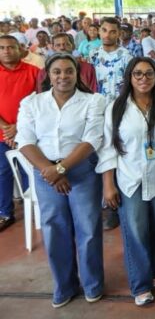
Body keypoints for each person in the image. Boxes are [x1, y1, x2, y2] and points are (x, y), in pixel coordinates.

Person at [16, 53, 106, 308]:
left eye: (69, 71)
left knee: (88, 228)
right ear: (48, 74)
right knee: (54, 229)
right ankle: (64, 286)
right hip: (45, 172)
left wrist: (62, 168)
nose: (63, 76)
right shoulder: (32, 103)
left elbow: (92, 139)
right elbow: (25, 141)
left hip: (82, 170)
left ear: (77, 74)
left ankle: (92, 284)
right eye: (57, 71)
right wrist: (51, 171)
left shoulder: (93, 101)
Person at [97, 57, 155, 306]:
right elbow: (107, 148)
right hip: (130, 179)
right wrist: (108, 184)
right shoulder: (116, 108)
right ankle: (140, 285)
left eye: (149, 73)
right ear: (129, 77)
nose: (143, 78)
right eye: (137, 74)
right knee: (136, 231)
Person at [0, 35, 40, 231]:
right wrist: (7, 129)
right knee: (2, 172)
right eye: (2, 48)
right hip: (2, 135)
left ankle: (33, 208)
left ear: (20, 49)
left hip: (28, 133)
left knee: (29, 171)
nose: (6, 51)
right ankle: (5, 212)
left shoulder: (34, 72)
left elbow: (40, 103)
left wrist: (18, 127)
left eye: (11, 47)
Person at [89, 17, 133, 103]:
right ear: (99, 31)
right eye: (104, 30)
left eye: (112, 32)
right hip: (97, 103)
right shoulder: (93, 54)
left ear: (119, 33)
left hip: (120, 103)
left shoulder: (126, 56)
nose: (107, 35)